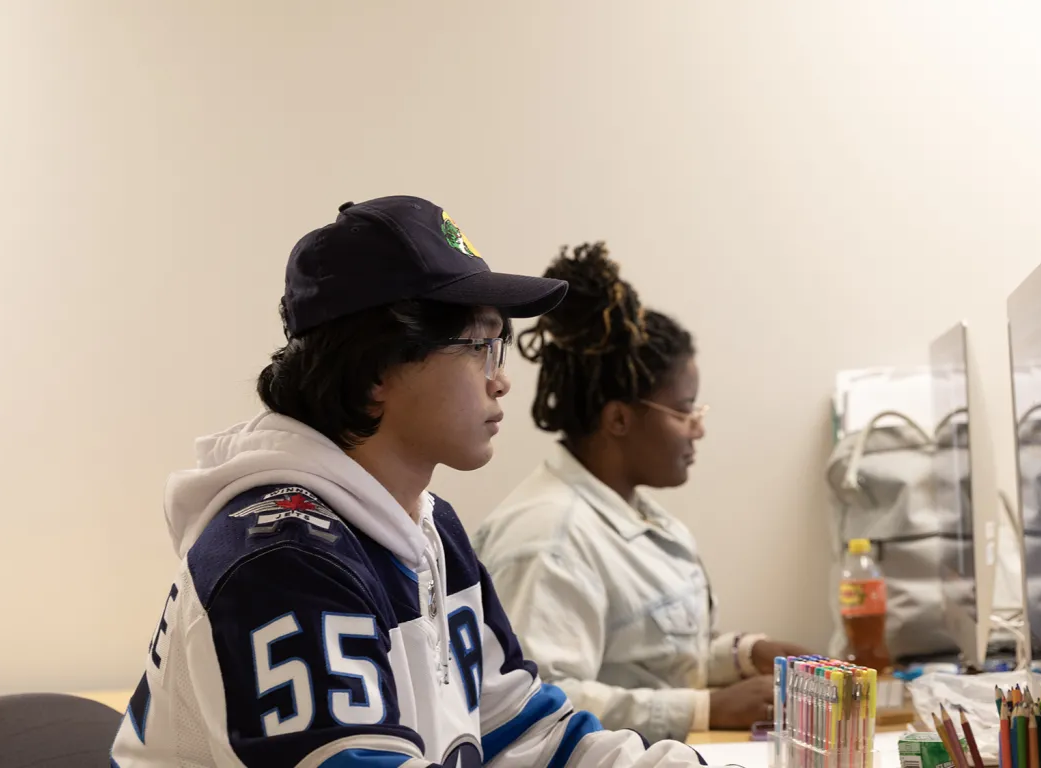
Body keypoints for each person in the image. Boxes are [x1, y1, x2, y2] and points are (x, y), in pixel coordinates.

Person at [110, 200, 714, 767]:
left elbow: (526, 735)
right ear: (377, 370)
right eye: (480, 347)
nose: (500, 382)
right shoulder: (284, 560)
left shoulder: (429, 527)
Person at [474, 242, 812, 742]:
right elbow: (541, 701)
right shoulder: (549, 538)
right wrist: (706, 707)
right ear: (619, 418)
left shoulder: (638, 515)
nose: (698, 428)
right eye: (684, 410)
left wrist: (745, 654)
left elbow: (649, 661)